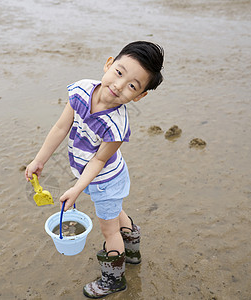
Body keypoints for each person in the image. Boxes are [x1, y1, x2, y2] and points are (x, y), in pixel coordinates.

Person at [25, 41, 164, 298]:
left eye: (133, 86)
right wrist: (39, 160)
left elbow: (99, 162)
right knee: (114, 210)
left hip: (105, 180)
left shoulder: (116, 127)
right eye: (119, 73)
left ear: (140, 95)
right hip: (91, 178)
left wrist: (77, 189)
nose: (119, 85)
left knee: (109, 230)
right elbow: (60, 128)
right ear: (109, 63)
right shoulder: (80, 90)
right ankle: (132, 249)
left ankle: (114, 279)